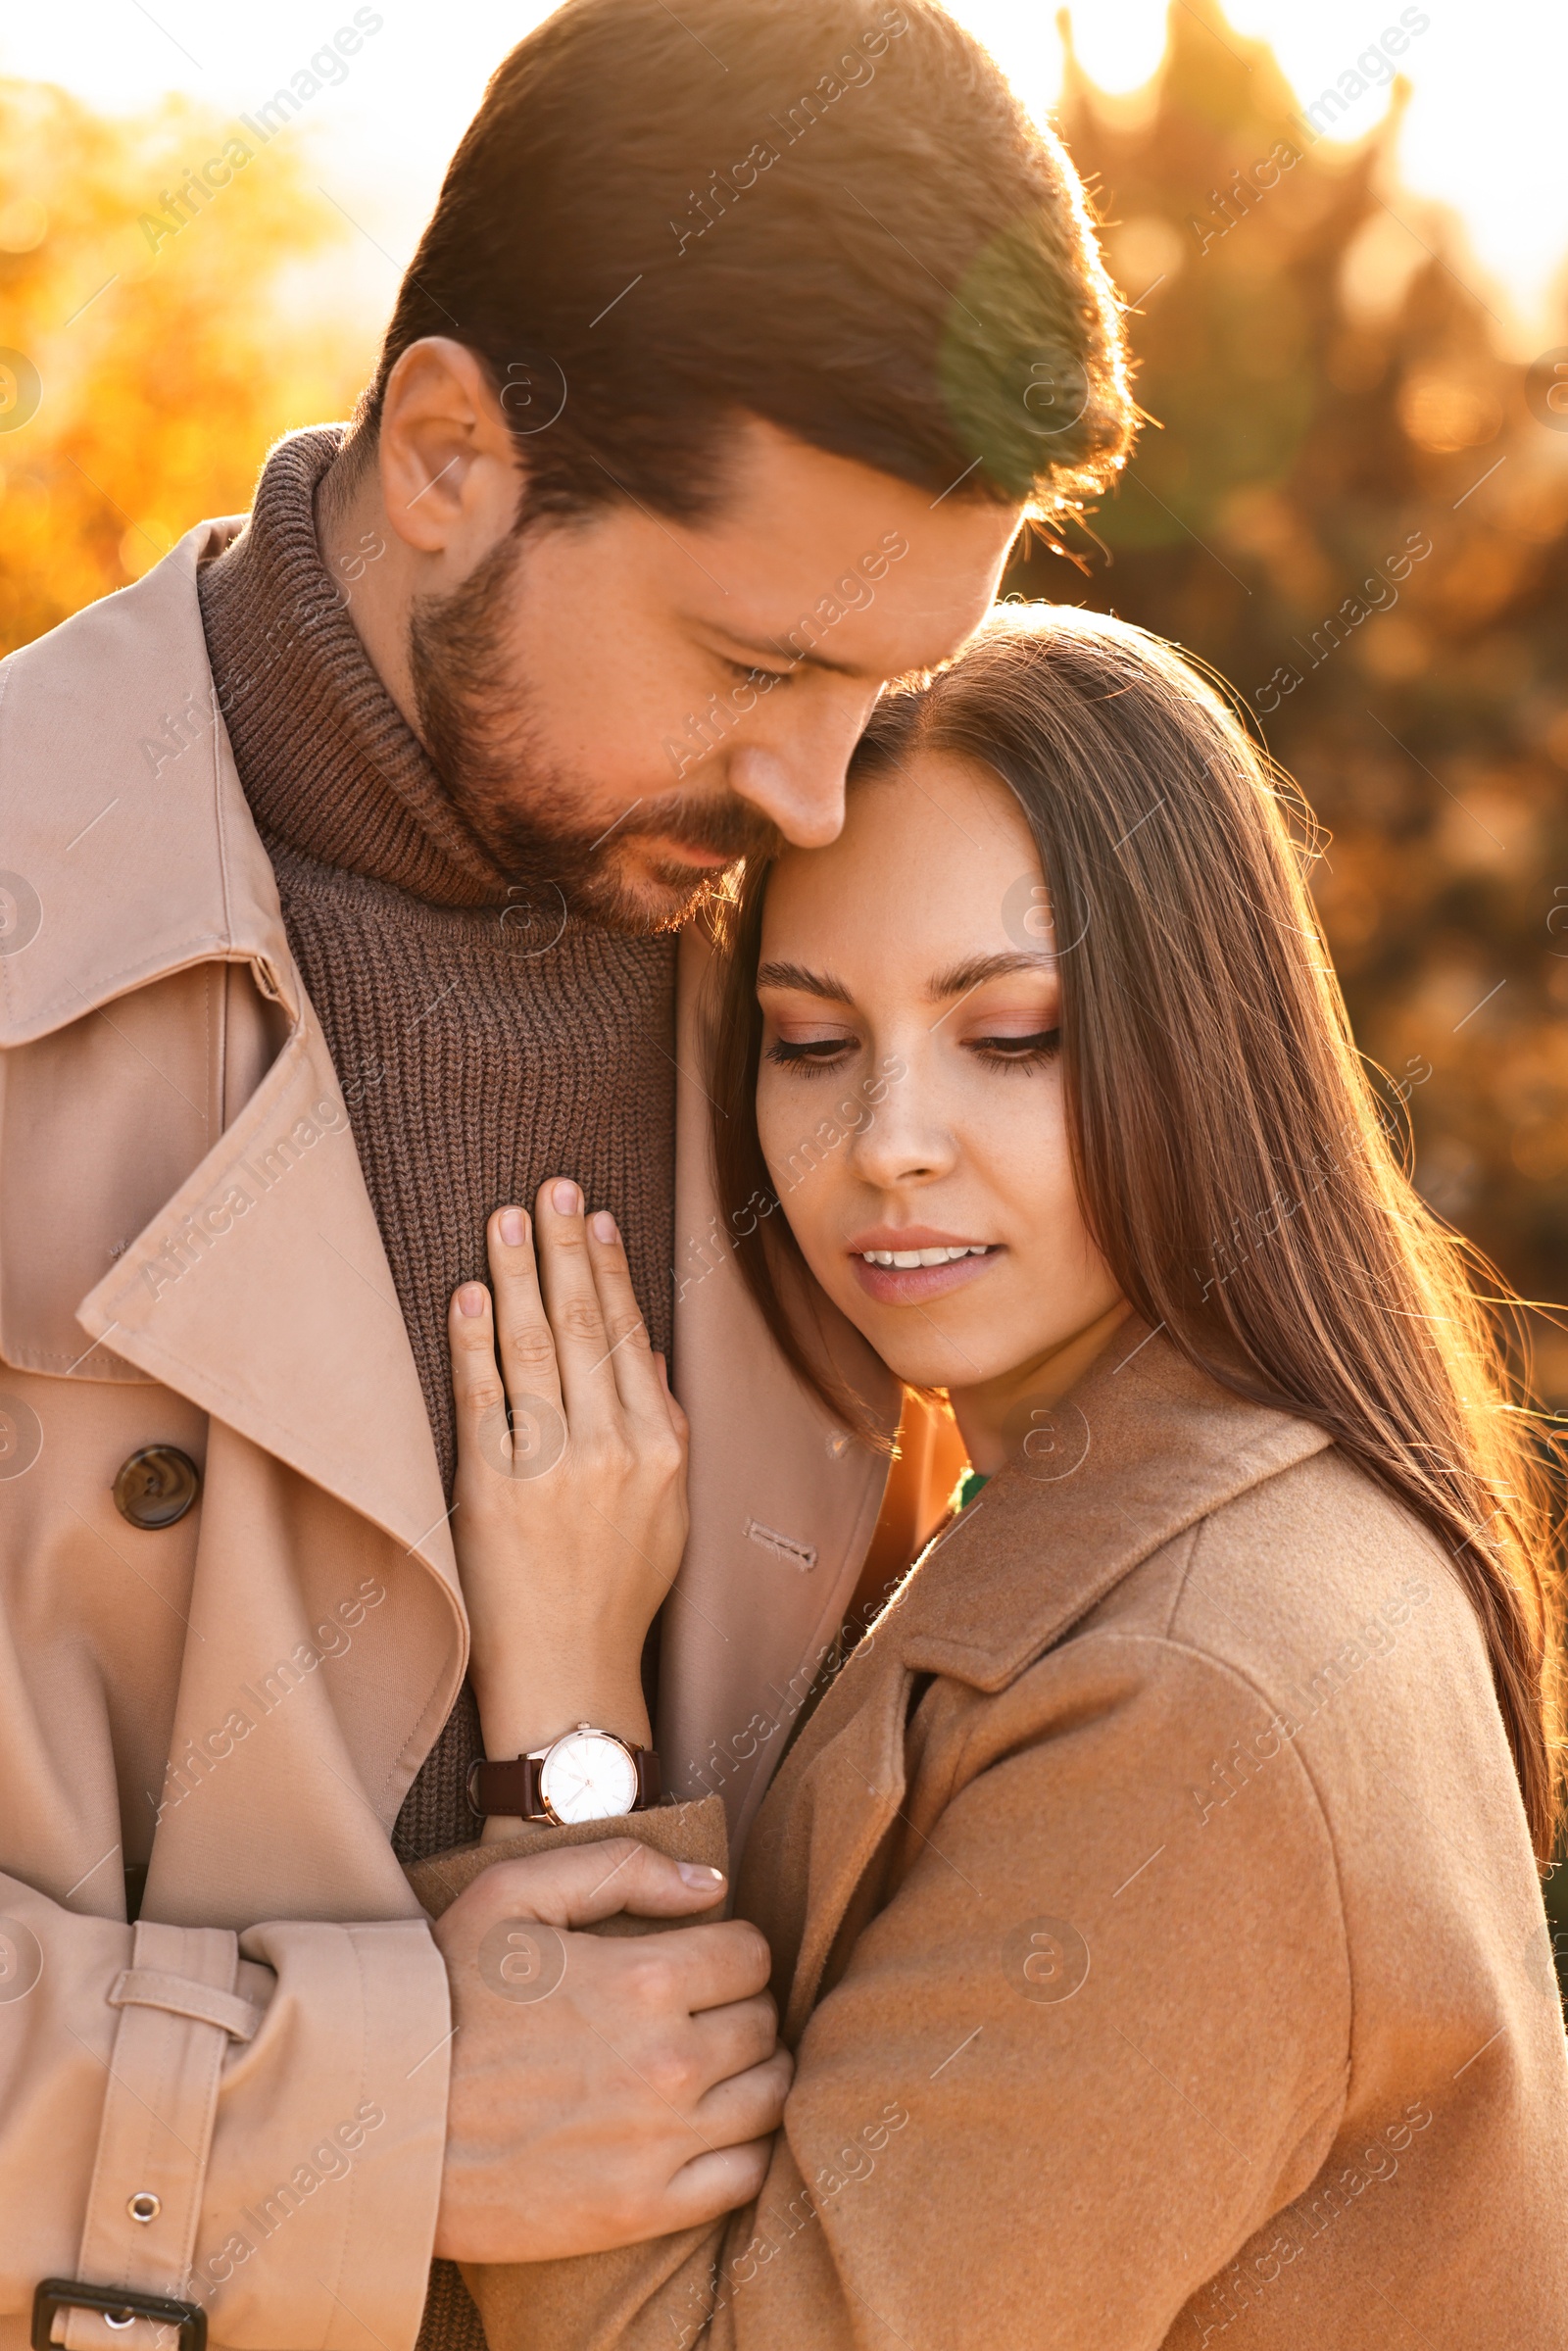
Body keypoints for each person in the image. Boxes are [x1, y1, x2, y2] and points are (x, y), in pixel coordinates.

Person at [0, 5, 1137, 2348]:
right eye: (754, 663)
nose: (818, 798)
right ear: (445, 457)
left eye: (880, 694)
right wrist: (350, 2109)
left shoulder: (832, 1006)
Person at [437, 605, 1568, 2348]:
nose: (888, 1138)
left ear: (1203, 1037)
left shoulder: (1189, 1704)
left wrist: (570, 1708)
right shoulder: (1124, 1504)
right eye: (811, 1045)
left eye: (1011, 1034)